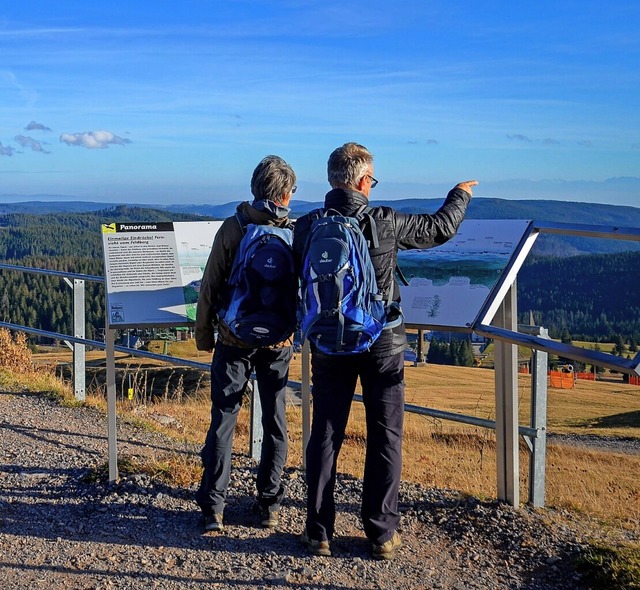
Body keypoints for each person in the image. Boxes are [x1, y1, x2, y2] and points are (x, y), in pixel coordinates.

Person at [292, 142, 476, 560]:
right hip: (382, 342)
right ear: (362, 181)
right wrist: (460, 194)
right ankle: (380, 533)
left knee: (325, 432)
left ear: (332, 179)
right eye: (371, 179)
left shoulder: (307, 226)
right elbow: (440, 229)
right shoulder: (386, 221)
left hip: (327, 342)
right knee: (385, 434)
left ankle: (318, 531)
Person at [195, 155, 297, 532]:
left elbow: (210, 286)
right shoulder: (295, 232)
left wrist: (205, 335)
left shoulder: (234, 227)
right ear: (286, 193)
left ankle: (214, 509)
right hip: (278, 341)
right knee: (275, 420)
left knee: (223, 418)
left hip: (233, 337)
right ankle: (269, 506)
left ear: (255, 187)